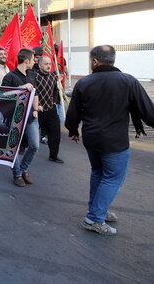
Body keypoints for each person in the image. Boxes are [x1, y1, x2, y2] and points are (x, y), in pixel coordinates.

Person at [65, 45, 154, 236]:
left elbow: (73, 112)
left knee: (99, 173)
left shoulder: (84, 83)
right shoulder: (128, 81)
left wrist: (73, 130)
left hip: (92, 138)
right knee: (113, 178)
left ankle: (98, 210)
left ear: (95, 61)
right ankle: (95, 218)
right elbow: (148, 111)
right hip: (114, 142)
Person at [1, 48, 40, 188]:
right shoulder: (10, 76)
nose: (35, 61)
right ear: (27, 60)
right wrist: (22, 87)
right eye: (33, 58)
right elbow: (3, 95)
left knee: (35, 145)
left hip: (30, 116)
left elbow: (35, 93)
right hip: (14, 117)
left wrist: (35, 109)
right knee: (14, 147)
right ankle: (17, 174)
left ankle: (24, 168)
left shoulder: (32, 75)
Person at [35, 55, 63, 163]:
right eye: (46, 64)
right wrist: (37, 105)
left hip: (51, 109)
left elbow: (55, 90)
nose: (48, 66)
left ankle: (54, 155)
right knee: (30, 133)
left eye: (50, 64)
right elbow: (33, 92)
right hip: (38, 110)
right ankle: (23, 149)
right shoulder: (34, 76)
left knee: (55, 133)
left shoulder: (53, 76)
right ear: (40, 65)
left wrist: (54, 102)